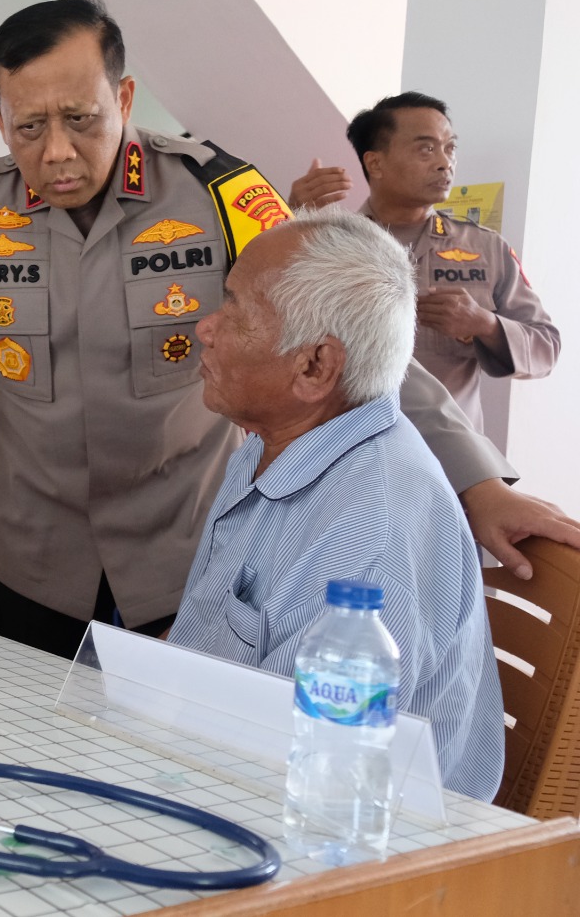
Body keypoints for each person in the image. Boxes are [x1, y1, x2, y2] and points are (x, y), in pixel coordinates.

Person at [0, 0, 580, 661]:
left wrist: (479, 481)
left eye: (82, 118)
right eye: (29, 127)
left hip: (194, 558)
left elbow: (358, 333)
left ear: (125, 99)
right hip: (32, 562)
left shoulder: (220, 197)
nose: (58, 151)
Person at [169, 209, 502, 799]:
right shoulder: (269, 446)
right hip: (213, 767)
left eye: (236, 310)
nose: (206, 328)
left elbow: (308, 765)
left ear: (315, 366)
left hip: (345, 836)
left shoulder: (374, 518)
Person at [288, 93, 558, 432]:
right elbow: (271, 329)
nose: (445, 162)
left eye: (450, 148)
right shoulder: (330, 242)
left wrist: (484, 324)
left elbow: (545, 347)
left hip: (452, 463)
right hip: (348, 454)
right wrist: (291, 220)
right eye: (426, 149)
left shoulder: (486, 247)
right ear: (375, 164)